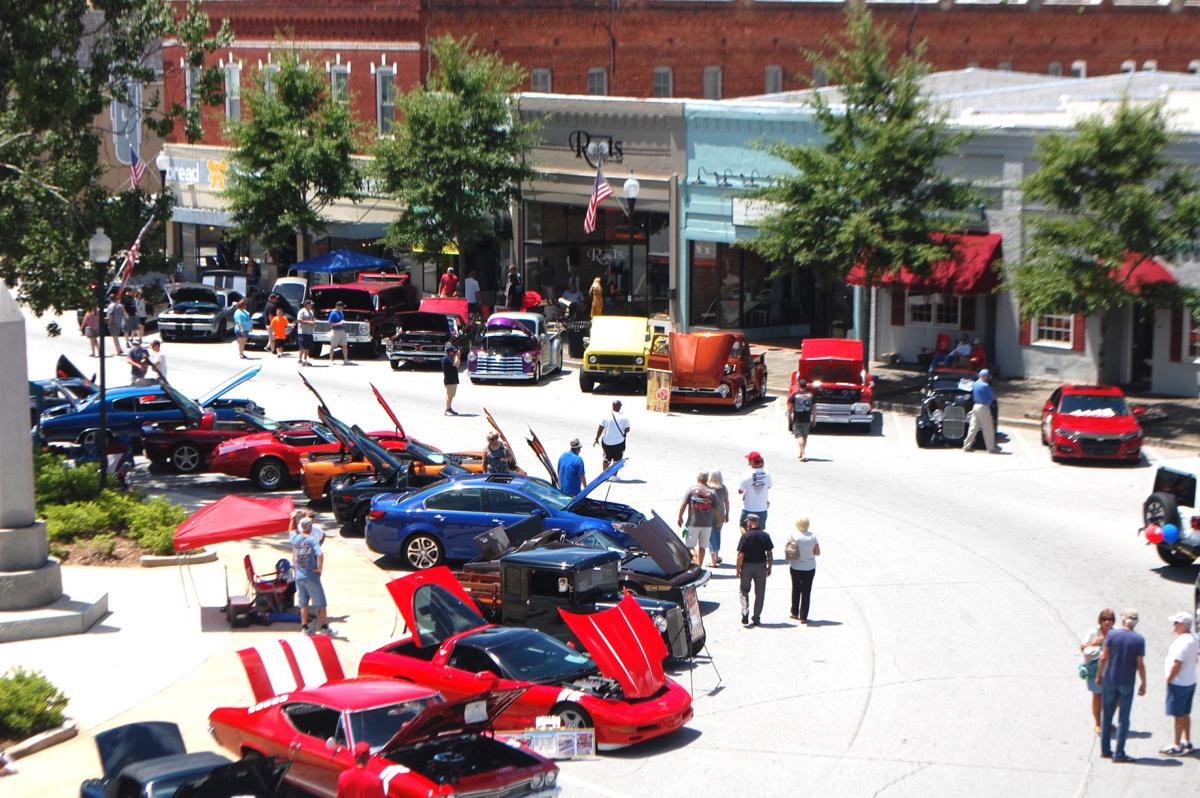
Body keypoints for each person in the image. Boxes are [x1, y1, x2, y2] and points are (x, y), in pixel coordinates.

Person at [1096, 608, 1147, 762]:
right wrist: (1144, 682)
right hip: (1127, 683)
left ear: (1123, 620)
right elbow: (1140, 664)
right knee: (1123, 719)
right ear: (1135, 623)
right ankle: (1119, 754)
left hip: (1110, 680)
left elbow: (1104, 657)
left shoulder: (1112, 634)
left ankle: (1105, 751)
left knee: (1107, 716)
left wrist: (1099, 675)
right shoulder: (1139, 640)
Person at [1160, 611, 1199, 756]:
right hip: (1190, 681)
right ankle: (1187, 741)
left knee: (1178, 715)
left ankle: (1176, 745)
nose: (1174, 626)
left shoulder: (1183, 642)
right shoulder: (1194, 638)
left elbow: (1177, 664)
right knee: (1186, 713)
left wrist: (1170, 678)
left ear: (1183, 625)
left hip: (1179, 683)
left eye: (1176, 623)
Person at [291, 517, 329, 635]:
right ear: (310, 527)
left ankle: (304, 627)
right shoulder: (312, 540)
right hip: (311, 575)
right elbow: (320, 554)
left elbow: (291, 531)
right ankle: (324, 627)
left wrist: (292, 518)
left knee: (303, 604)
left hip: (299, 576)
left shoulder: (295, 539)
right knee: (321, 603)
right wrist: (319, 568)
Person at [1080, 609, 1116, 734]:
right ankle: (1097, 723)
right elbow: (1082, 647)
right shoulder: (1093, 632)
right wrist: (1096, 642)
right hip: (1095, 670)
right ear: (1100, 621)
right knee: (1097, 696)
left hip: (1111, 671)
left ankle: (1107, 721)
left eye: (1110, 619)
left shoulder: (1115, 634)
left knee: (1112, 698)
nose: (1107, 622)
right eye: (1104, 619)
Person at [678, 471, 723, 567]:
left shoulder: (691, 489)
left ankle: (695, 560)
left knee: (689, 546)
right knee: (702, 547)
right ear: (707, 480)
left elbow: (683, 504)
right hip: (707, 524)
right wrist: (719, 521)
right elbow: (717, 509)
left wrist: (680, 517)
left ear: (697, 479)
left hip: (692, 523)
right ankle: (699, 566)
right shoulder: (712, 492)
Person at [736, 513, 773, 627]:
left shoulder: (745, 536)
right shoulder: (765, 536)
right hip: (761, 567)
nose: (746, 523)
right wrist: (769, 566)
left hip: (747, 566)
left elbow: (741, 555)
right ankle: (756, 618)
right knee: (760, 593)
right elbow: (769, 553)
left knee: (744, 590)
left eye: (747, 521)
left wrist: (738, 568)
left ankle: (745, 611)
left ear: (751, 522)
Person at [785, 518, 820, 624]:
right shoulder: (813, 536)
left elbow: (789, 550)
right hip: (809, 567)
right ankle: (803, 617)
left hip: (795, 566)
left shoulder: (793, 535)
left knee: (795, 588)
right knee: (806, 591)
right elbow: (817, 552)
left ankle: (794, 612)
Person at [962, 369, 1000, 454]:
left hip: (975, 406)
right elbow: (993, 396)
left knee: (973, 427)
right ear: (984, 376)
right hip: (983, 407)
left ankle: (966, 446)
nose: (988, 378)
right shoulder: (985, 386)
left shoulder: (975, 384)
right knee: (988, 428)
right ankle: (991, 448)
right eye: (987, 376)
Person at [738, 452, 772, 532]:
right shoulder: (768, 474)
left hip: (748, 507)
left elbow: (740, 490)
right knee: (759, 530)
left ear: (752, 462)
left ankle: (746, 541)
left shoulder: (746, 475)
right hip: (762, 508)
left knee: (743, 526)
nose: (748, 461)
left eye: (749, 460)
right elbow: (769, 486)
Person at [594, 400, 630, 470]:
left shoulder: (606, 416)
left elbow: (600, 429)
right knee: (617, 461)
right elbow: (628, 429)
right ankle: (614, 477)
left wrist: (596, 438)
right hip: (619, 443)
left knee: (606, 459)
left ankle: (604, 476)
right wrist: (623, 431)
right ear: (619, 407)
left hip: (606, 443)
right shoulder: (623, 417)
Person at [707, 470, 729, 567]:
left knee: (711, 537)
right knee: (718, 534)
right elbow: (726, 502)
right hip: (720, 514)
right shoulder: (723, 488)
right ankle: (716, 556)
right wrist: (727, 514)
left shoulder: (707, 488)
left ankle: (713, 561)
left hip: (708, 515)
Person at [790, 379, 813, 461]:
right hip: (807, 418)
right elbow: (814, 408)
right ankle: (801, 451)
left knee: (799, 436)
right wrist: (814, 419)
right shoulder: (810, 395)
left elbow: (790, 405)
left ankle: (803, 454)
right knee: (805, 437)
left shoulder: (795, 394)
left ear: (799, 386)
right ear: (806, 386)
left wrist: (789, 415)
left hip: (797, 418)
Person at [328, 301, 351, 365]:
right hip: (335, 331)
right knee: (333, 346)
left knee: (345, 345)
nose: (342, 308)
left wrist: (343, 323)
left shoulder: (341, 313)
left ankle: (345, 360)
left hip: (342, 331)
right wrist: (339, 323)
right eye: (341, 307)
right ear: (337, 306)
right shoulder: (333, 313)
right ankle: (331, 360)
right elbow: (330, 323)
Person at [442, 342, 460, 416]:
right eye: (453, 351)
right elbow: (455, 364)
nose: (454, 352)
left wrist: (458, 357)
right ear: (449, 352)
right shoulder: (447, 359)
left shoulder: (451, 358)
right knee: (449, 395)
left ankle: (449, 408)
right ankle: (447, 409)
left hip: (453, 380)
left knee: (451, 395)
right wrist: (457, 356)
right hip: (449, 380)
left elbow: (457, 366)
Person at [297, 299, 315, 366]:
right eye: (310, 304)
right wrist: (309, 322)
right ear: (307, 304)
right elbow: (299, 320)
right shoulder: (302, 311)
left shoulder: (311, 312)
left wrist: (313, 324)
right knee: (302, 346)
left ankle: (305, 359)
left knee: (308, 347)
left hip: (309, 332)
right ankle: (299, 359)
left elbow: (312, 320)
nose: (311, 305)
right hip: (302, 331)